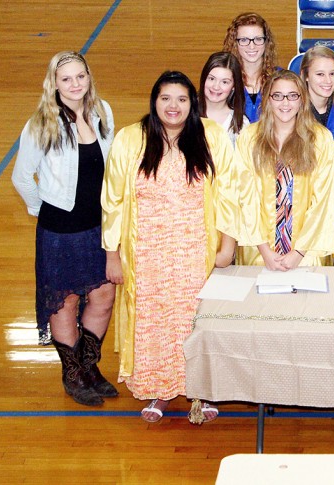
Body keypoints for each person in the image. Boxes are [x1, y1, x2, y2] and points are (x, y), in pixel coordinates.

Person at [102, 71, 237, 423]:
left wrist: (228, 245)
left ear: (192, 103)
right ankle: (159, 390)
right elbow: (112, 201)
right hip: (146, 254)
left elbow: (229, 194)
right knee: (155, 322)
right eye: (165, 99)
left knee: (198, 322)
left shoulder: (211, 136)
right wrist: (112, 254)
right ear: (154, 101)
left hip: (198, 252)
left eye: (181, 99)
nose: (173, 106)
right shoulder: (130, 139)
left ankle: (203, 391)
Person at [11, 51, 116, 406]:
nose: (75, 85)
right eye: (66, 78)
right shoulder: (42, 123)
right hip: (60, 232)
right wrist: (45, 209)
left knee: (103, 296)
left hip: (98, 226)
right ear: (54, 83)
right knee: (66, 301)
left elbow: (112, 165)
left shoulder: (103, 111)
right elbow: (22, 177)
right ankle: (72, 375)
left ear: (89, 77)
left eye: (80, 76)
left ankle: (89, 366)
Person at [234, 70, 334, 269]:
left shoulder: (320, 139)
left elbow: (323, 200)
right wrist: (265, 251)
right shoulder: (249, 138)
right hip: (259, 251)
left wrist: (299, 252)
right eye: (278, 96)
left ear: (302, 100)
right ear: (268, 100)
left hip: (307, 252)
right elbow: (244, 197)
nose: (285, 103)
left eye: (292, 96)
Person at [222, 12, 278, 122]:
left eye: (258, 39)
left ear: (266, 41)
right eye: (243, 40)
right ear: (235, 43)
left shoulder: (279, 78)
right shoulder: (224, 79)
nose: (252, 46)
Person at [198, 52, 248, 146]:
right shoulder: (186, 113)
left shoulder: (241, 123)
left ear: (234, 86)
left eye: (224, 82)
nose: (216, 87)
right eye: (211, 79)